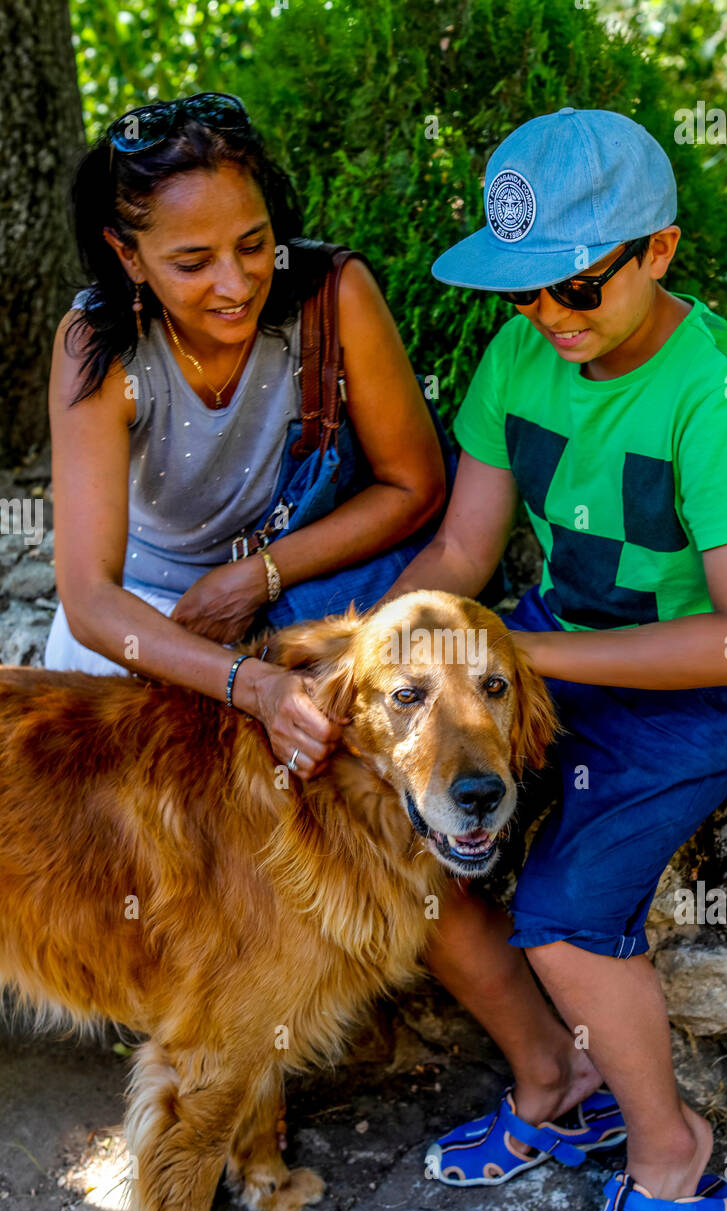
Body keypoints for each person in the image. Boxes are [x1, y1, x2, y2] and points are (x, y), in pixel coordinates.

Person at [375, 108, 727, 1211]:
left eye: (575, 286)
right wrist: (380, 648)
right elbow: (465, 546)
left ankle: (676, 1161)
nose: (548, 319)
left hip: (699, 688)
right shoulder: (523, 356)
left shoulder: (718, 397)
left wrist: (530, 659)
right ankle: (552, 1088)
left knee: (565, 911)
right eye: (522, 294)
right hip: (555, 650)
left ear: (657, 252)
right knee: (407, 843)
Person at [45, 92, 446, 775]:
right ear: (128, 254)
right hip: (148, 622)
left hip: (298, 588)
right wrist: (249, 682)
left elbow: (417, 486)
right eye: (193, 263)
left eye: (254, 244)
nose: (235, 284)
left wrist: (257, 579)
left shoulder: (334, 294)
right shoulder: (98, 346)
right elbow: (89, 598)